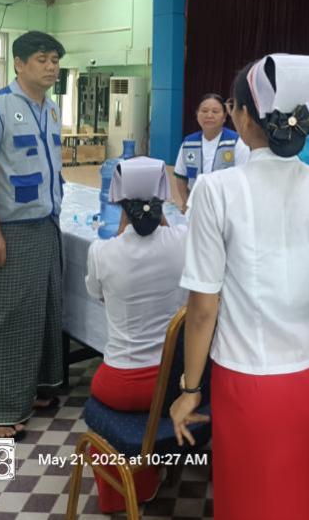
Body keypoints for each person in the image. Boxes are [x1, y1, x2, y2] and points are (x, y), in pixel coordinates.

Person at [170, 54, 309, 520]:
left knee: (251, 499)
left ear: (244, 118)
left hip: (246, 378)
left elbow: (204, 307)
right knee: (306, 499)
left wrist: (190, 388)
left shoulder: (215, 190)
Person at [0, 31, 65, 439]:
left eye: (55, 60)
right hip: (11, 228)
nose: (51, 67)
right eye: (42, 59)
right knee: (7, 317)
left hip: (47, 225)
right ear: (19, 64)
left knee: (42, 312)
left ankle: (35, 389)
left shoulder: (52, 110)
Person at [85, 156, 187, 512]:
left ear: (119, 204)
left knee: (102, 401)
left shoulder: (102, 252)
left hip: (120, 384)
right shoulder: (182, 241)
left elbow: (96, 294)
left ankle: (121, 490)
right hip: (173, 383)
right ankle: (150, 471)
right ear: (162, 201)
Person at [174, 93, 248, 212]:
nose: (209, 115)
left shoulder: (236, 142)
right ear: (197, 114)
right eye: (204, 111)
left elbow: (243, 179)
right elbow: (181, 176)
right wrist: (186, 202)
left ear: (224, 116)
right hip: (196, 205)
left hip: (226, 207)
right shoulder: (188, 143)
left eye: (215, 111)